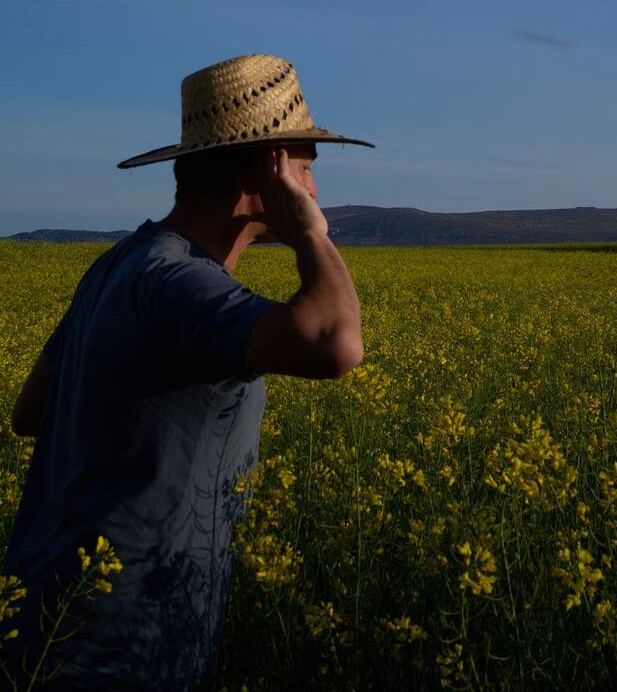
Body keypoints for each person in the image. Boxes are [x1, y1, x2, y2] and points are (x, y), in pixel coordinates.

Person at [2, 54, 372, 691]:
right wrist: (312, 235)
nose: (314, 192)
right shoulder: (179, 284)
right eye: (307, 169)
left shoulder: (123, 264)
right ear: (269, 167)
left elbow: (31, 413)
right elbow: (338, 343)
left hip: (35, 623)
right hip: (120, 647)